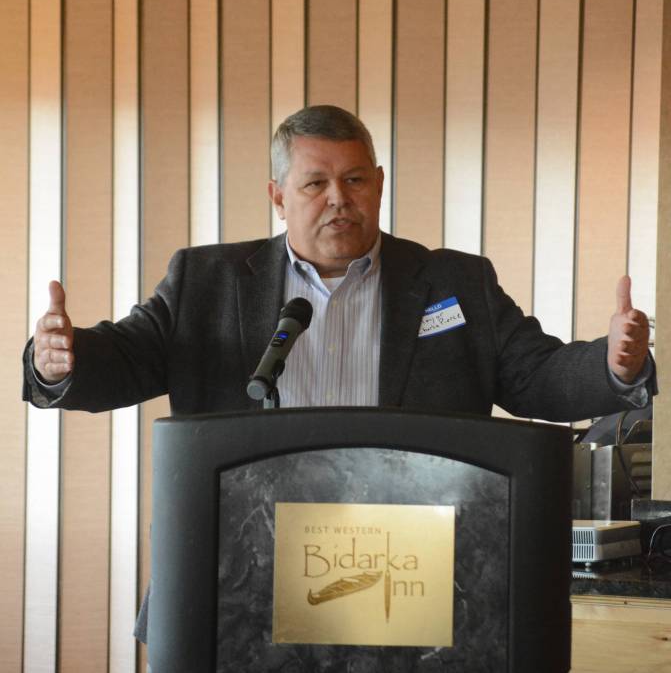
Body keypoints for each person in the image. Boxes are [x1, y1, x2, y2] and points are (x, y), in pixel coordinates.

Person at [24, 104, 654, 421]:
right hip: (242, 551)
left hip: (411, 559)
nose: (338, 200)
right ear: (277, 196)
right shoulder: (207, 283)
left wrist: (612, 364)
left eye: (354, 180)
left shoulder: (455, 283)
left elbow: (535, 375)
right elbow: (131, 359)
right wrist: (61, 359)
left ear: (378, 184)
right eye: (314, 184)